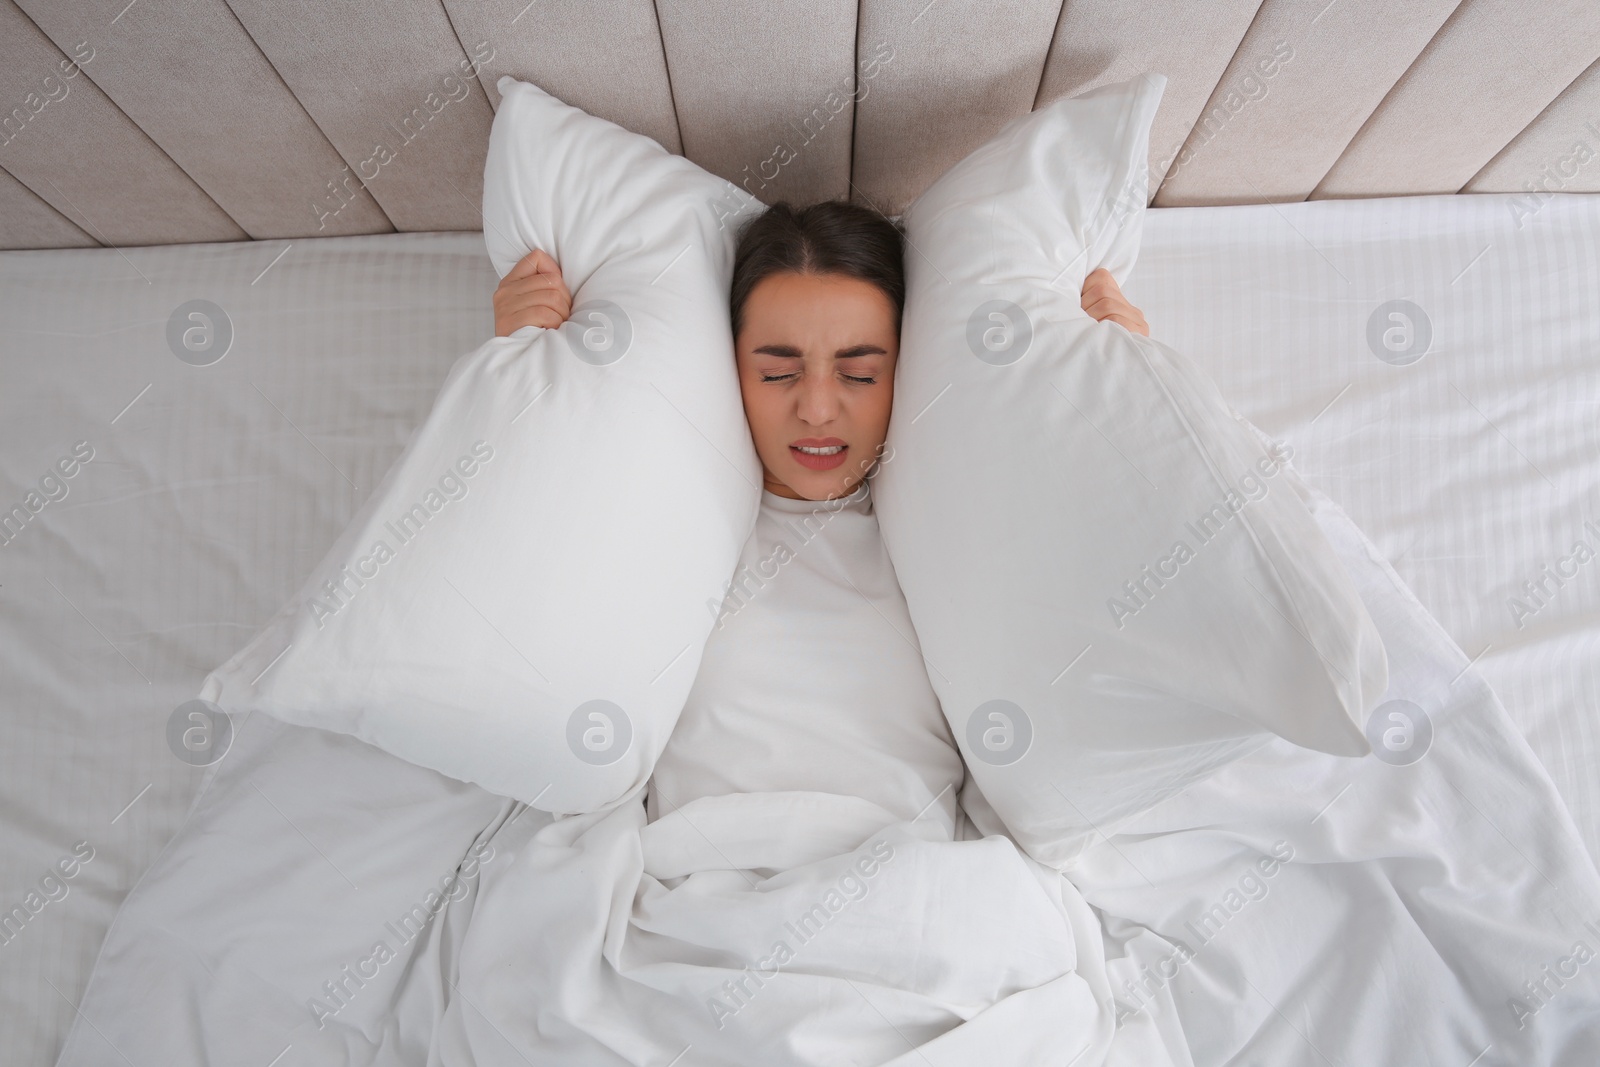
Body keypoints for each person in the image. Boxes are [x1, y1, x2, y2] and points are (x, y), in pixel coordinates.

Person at [491, 201, 1152, 832]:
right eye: (778, 374)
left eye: (859, 373)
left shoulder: (953, 530)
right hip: (695, 881)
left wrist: (1122, 394)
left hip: (920, 891)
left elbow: (1090, 618)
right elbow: (537, 596)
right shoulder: (669, 521)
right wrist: (523, 377)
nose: (816, 409)